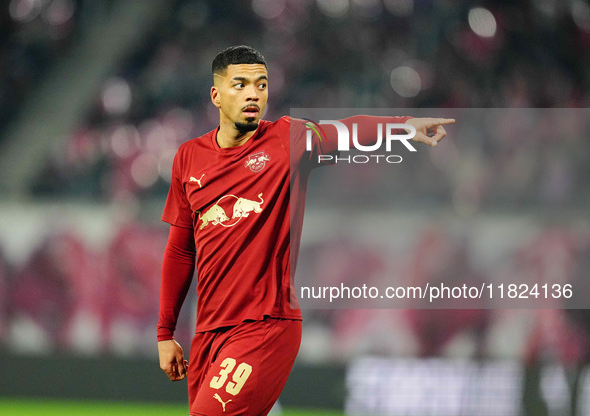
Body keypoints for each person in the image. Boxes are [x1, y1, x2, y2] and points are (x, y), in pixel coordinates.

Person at [157, 45, 454, 416]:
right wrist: (165, 333)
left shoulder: (287, 141)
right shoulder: (188, 157)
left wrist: (402, 126)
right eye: (241, 84)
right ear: (216, 94)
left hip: (264, 326)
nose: (253, 94)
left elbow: (344, 131)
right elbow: (180, 250)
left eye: (261, 85)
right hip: (208, 333)